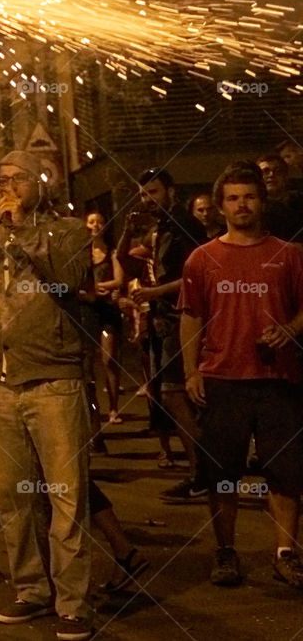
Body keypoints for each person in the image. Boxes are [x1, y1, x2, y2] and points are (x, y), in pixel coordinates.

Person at [0, 151, 94, 640]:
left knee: (66, 497)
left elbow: (68, 279)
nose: (8, 187)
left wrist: (23, 232)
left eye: (18, 180)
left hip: (55, 380)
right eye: (1, 180)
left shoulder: (70, 230)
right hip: (2, 383)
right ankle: (32, 590)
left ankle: (73, 602)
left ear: (42, 184)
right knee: (13, 498)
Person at [179, 161, 303, 588]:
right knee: (222, 472)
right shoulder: (202, 259)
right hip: (223, 378)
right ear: (220, 206)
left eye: (249, 195)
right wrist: (190, 370)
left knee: (286, 471)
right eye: (233, 198)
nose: (242, 204)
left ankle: (286, 553)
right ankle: (225, 551)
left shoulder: (289, 254)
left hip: (279, 381)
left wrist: (290, 330)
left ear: (262, 201)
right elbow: (191, 316)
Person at [123, 169, 207, 501]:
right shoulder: (161, 228)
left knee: (179, 393)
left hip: (183, 320)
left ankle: (203, 471)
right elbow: (126, 259)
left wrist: (157, 293)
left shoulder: (185, 226)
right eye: (143, 194)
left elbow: (199, 276)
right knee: (175, 396)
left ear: (170, 191)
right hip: (165, 322)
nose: (147, 200)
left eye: (153, 192)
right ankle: (202, 472)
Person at [83, 212, 123, 431]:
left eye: (99, 221)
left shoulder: (111, 252)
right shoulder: (82, 253)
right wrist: (89, 291)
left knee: (108, 359)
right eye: (91, 221)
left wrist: (102, 288)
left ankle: (114, 407)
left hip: (107, 309)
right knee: (88, 365)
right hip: (88, 310)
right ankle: (93, 416)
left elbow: (119, 279)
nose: (95, 225)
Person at [257, 154, 303, 243]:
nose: (271, 175)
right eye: (265, 171)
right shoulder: (253, 207)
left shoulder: (300, 202)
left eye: (278, 171)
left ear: (286, 177)